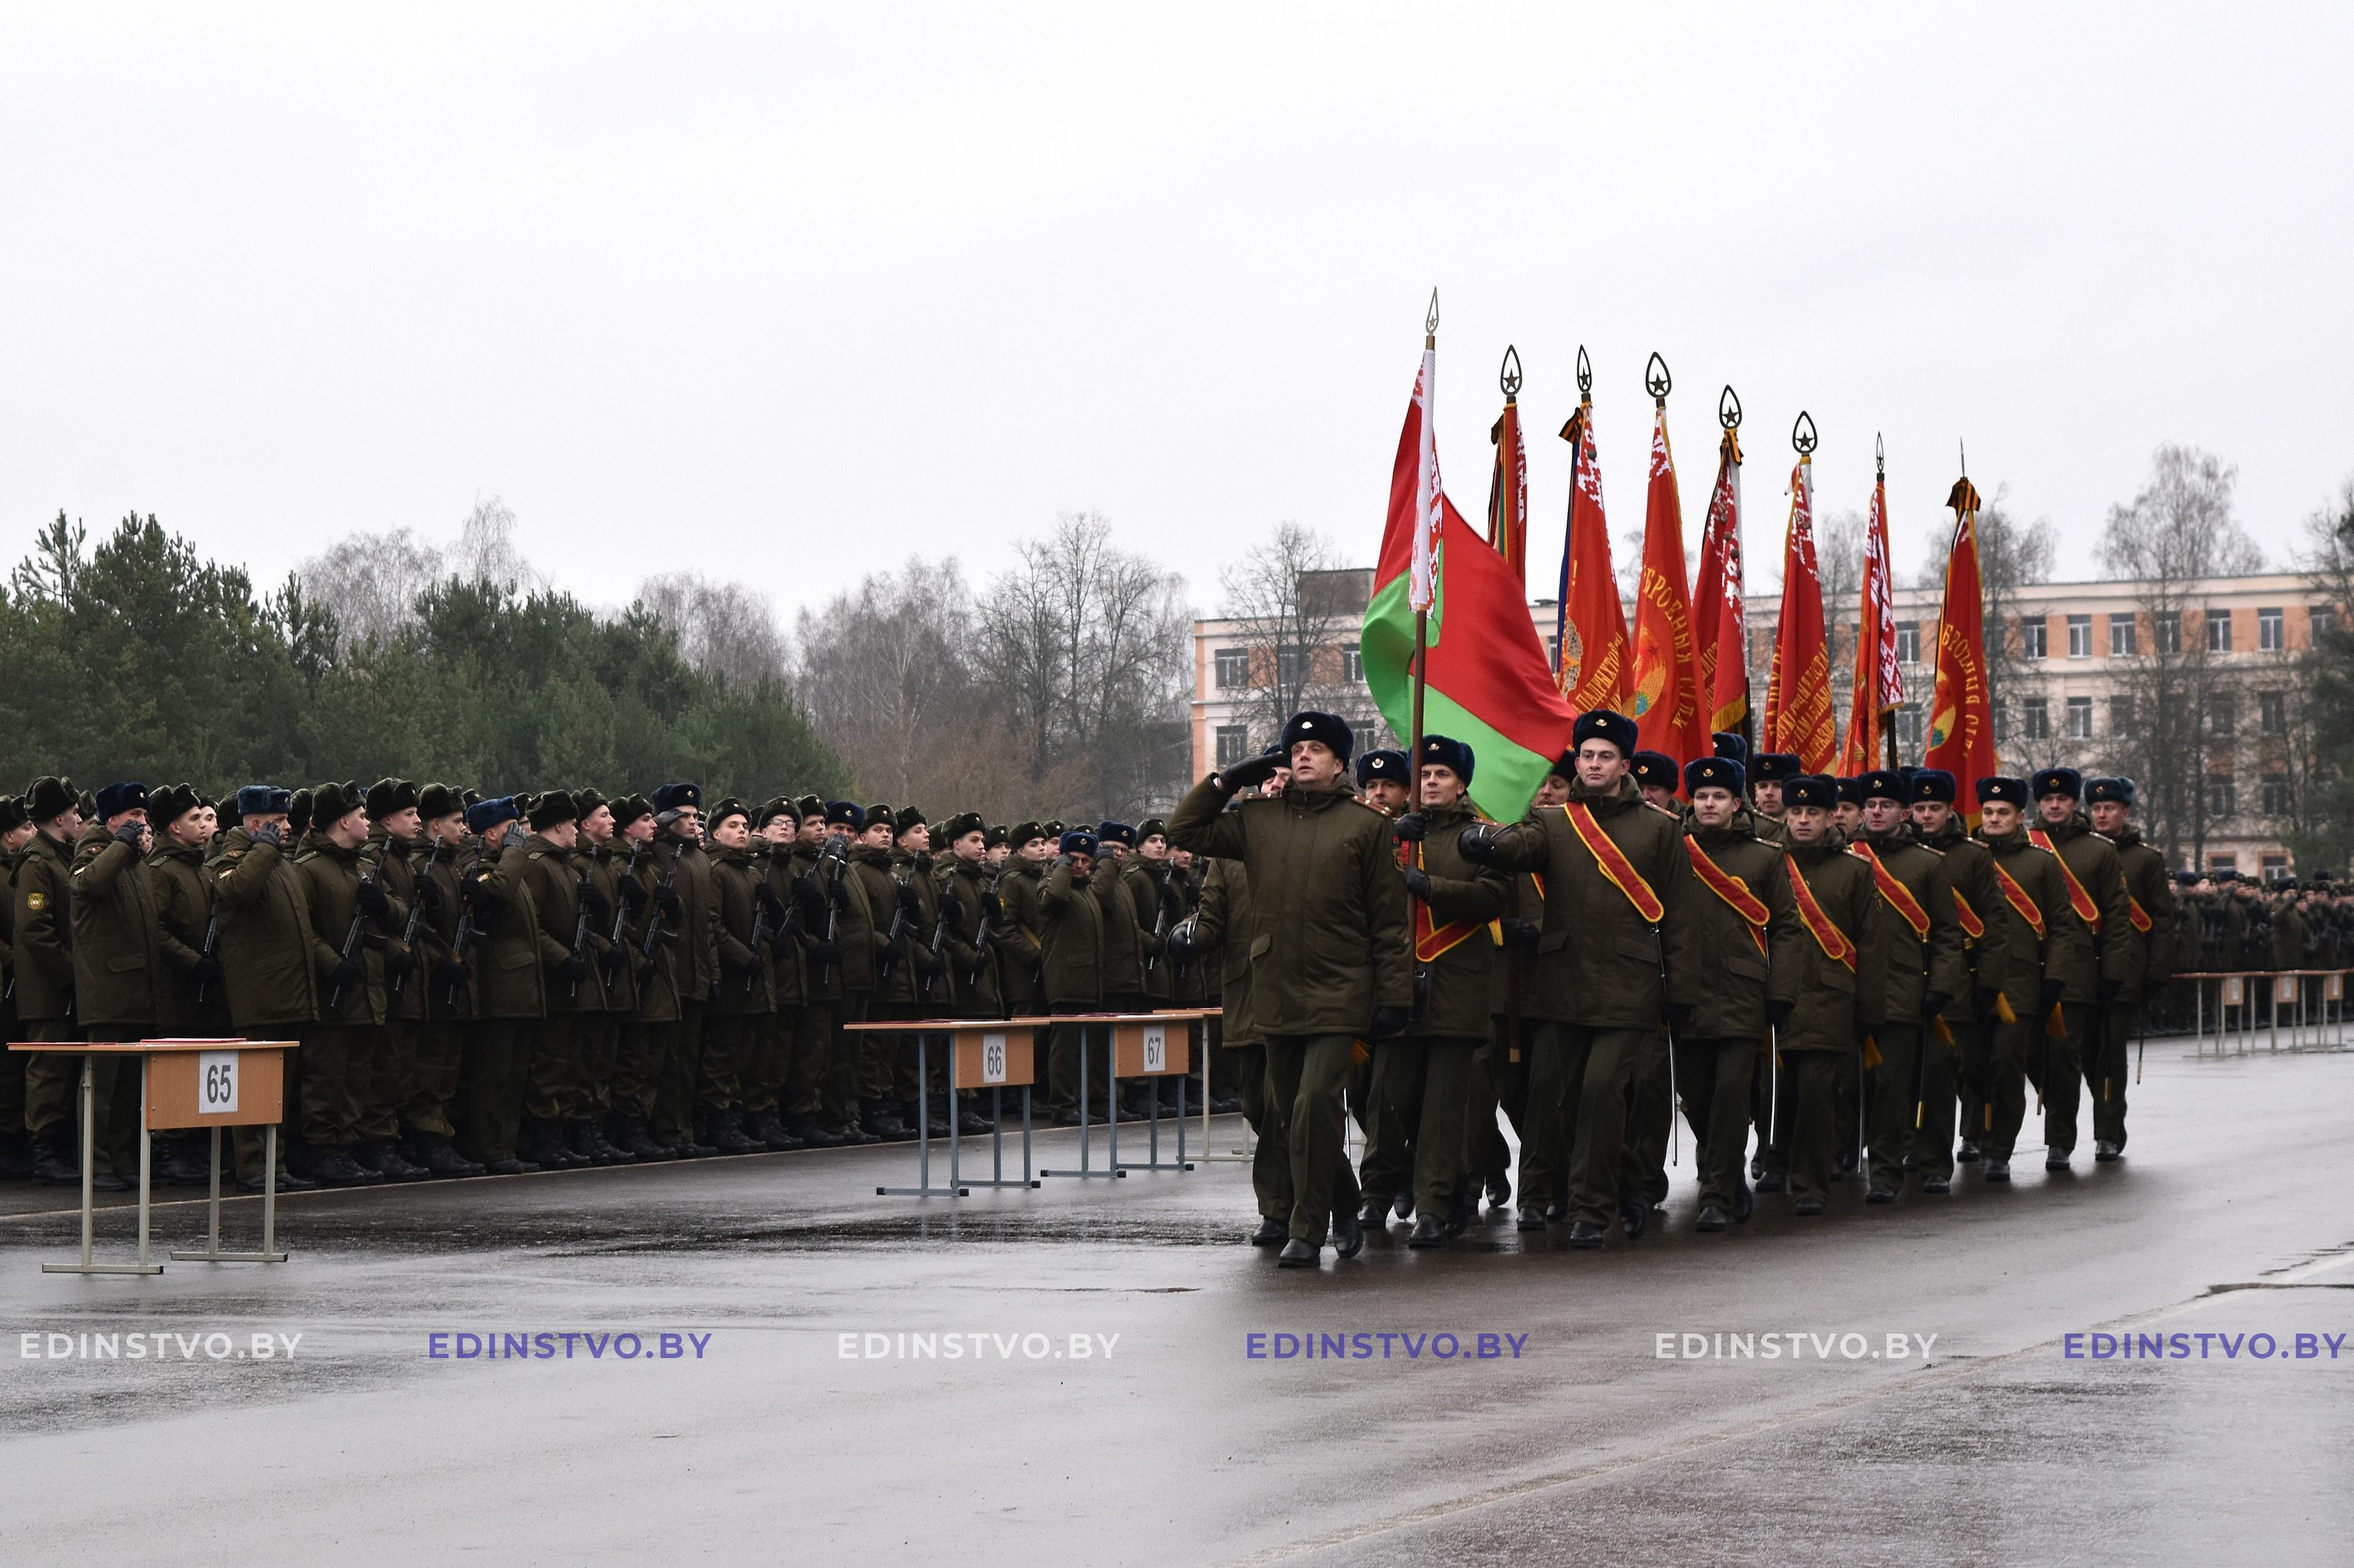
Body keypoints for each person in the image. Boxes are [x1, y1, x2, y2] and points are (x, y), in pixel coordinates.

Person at [1169, 710, 1409, 1268]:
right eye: (1295, 750)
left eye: (1318, 750)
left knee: (1312, 1103)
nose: (1303, 756)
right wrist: (1228, 779)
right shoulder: (1258, 820)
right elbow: (1184, 832)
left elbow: (1388, 921)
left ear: (1339, 764)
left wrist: (1395, 995)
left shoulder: (1367, 825)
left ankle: (1309, 1225)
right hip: (1274, 988)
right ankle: (1345, 1202)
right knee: (1283, 1112)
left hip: (1341, 989)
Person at [1457, 709, 1699, 1248]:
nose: (1593, 764)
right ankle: (1632, 1184)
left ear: (1624, 765)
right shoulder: (1556, 821)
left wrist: (1681, 990)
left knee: (1599, 1093)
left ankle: (1592, 1209)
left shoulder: (1660, 830)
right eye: (1587, 755)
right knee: (1561, 1097)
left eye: (1604, 757)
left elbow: (1681, 916)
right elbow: (1521, 847)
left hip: (1630, 985)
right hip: (1564, 983)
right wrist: (1484, 842)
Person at [1374, 734, 1507, 1246]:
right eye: (1423, 774)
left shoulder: (1482, 837)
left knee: (1445, 1105)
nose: (1430, 782)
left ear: (1462, 784)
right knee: (1397, 1099)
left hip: (1457, 986)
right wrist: (1389, 842)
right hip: (1398, 986)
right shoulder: (1391, 834)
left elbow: (1492, 898)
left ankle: (1432, 1208)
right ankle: (1445, 1186)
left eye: (1441, 774)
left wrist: (1432, 888)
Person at [1674, 755, 1788, 1230]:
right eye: (1701, 797)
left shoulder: (1764, 856)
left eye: (1718, 796)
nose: (1708, 804)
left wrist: (1780, 990)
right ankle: (1727, 1173)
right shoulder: (1675, 852)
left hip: (1744, 993)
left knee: (1729, 1097)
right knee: (1696, 1098)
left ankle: (1715, 1193)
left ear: (1736, 802)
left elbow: (1787, 928)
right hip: (1688, 992)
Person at [1850, 769, 1969, 1203]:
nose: (1877, 812)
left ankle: (1933, 1163)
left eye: (1887, 805)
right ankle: (1882, 1169)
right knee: (1879, 1086)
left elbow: (1946, 933)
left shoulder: (1928, 864)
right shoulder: (1848, 858)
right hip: (1856, 991)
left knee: (1922, 1081)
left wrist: (1941, 985)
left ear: (1905, 812)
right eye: (1871, 805)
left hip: (1908, 990)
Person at [1766, 775, 1882, 1214]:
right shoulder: (1770, 863)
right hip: (1778, 993)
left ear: (1831, 816)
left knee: (1816, 1093)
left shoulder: (1855, 870)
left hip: (1832, 998)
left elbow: (1870, 943)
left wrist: (1869, 1009)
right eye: (1795, 812)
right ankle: (1776, 1160)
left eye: (1812, 812)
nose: (1802, 820)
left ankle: (1811, 1182)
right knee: (1780, 1092)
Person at [1969, 777, 2089, 1183]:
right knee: (1973, 1068)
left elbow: (2061, 926)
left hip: (2020, 983)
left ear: (2020, 817)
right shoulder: (1966, 857)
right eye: (1988, 812)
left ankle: (2000, 1149)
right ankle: (1979, 1136)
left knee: (2008, 1065)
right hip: (1969, 981)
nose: (1994, 819)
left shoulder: (2041, 863)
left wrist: (2055, 978)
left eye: (2003, 812)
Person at [2025, 768, 2132, 1171]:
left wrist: (2114, 973)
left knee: (2067, 1057)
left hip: (2078, 971)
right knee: (2034, 1058)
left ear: (2075, 805)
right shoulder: (2023, 847)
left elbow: (2118, 918)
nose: (2055, 806)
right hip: (2025, 971)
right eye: (2048, 800)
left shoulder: (2099, 851)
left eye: (2063, 800)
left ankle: (2062, 1141)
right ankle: (2059, 1119)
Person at [2084, 775, 2170, 1162]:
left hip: (2128, 968)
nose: (2102, 814)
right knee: (2086, 1052)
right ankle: (2109, 1117)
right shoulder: (2080, 853)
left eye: (2109, 809)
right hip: (2084, 967)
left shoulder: (2146, 860)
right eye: (2097, 808)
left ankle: (2107, 1129)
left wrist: (2156, 972)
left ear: (2125, 812)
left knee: (2109, 1051)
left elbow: (2162, 921)